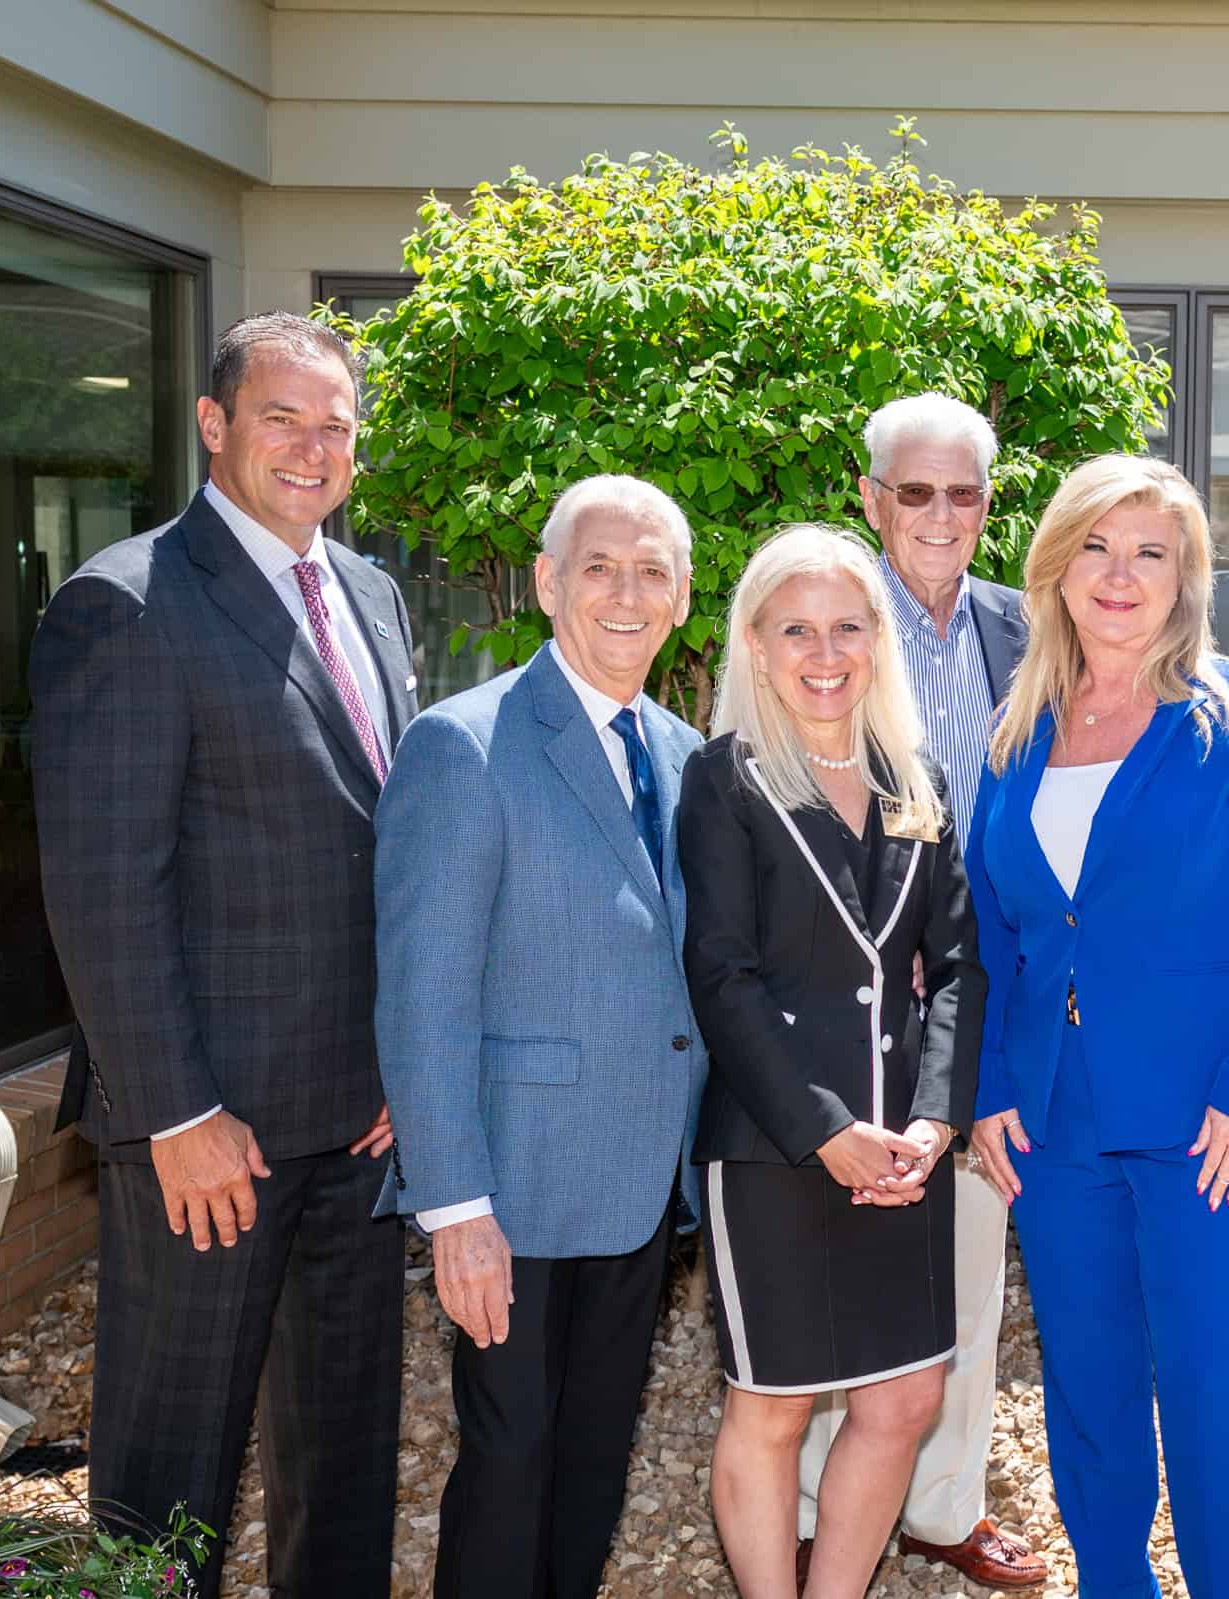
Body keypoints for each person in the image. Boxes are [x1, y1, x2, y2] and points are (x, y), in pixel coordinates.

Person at [31, 312, 414, 1595]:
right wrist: (177, 1110)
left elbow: (386, 850)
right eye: (280, 418)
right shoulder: (127, 606)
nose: (312, 449)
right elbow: (105, 891)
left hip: (358, 1124)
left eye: (335, 426)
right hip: (214, 1132)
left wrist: (395, 1065)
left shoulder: (369, 592)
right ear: (214, 425)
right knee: (169, 1463)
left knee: (346, 1452)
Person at [967, 455, 1229, 1599]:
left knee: (1210, 1383)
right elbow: (995, 934)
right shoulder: (1015, 729)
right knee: (1086, 1379)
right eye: (1098, 548)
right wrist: (986, 1089)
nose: (1120, 576)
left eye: (1150, 553)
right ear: (1057, 569)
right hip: (1051, 1117)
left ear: (1185, 579)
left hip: (1205, 1115)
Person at [371, 475, 706, 1598]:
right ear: (550, 583)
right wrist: (455, 1207)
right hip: (512, 1188)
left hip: (643, 1180)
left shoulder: (683, 749)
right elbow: (423, 993)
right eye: (600, 567)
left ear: (682, 597)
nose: (627, 592)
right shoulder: (464, 744)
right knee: (510, 1460)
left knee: (595, 1455)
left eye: (652, 571)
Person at [678, 523, 986, 1599]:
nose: (824, 650)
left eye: (848, 626)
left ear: (879, 640)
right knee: (770, 1404)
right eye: (796, 628)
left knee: (904, 1398)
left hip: (907, 1147)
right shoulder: (726, 780)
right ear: (754, 644)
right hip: (774, 1147)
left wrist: (935, 1122)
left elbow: (956, 966)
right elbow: (721, 975)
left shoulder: (917, 776)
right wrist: (824, 1131)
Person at [793, 393, 1042, 1589]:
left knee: (969, 1257)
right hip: (841, 993)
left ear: (987, 506)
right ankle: (816, 1509)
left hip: (981, 987)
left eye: (964, 492)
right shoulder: (827, 620)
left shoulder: (1025, 625)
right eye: (916, 490)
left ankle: (940, 1504)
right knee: (838, 1253)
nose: (941, 514)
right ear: (871, 497)